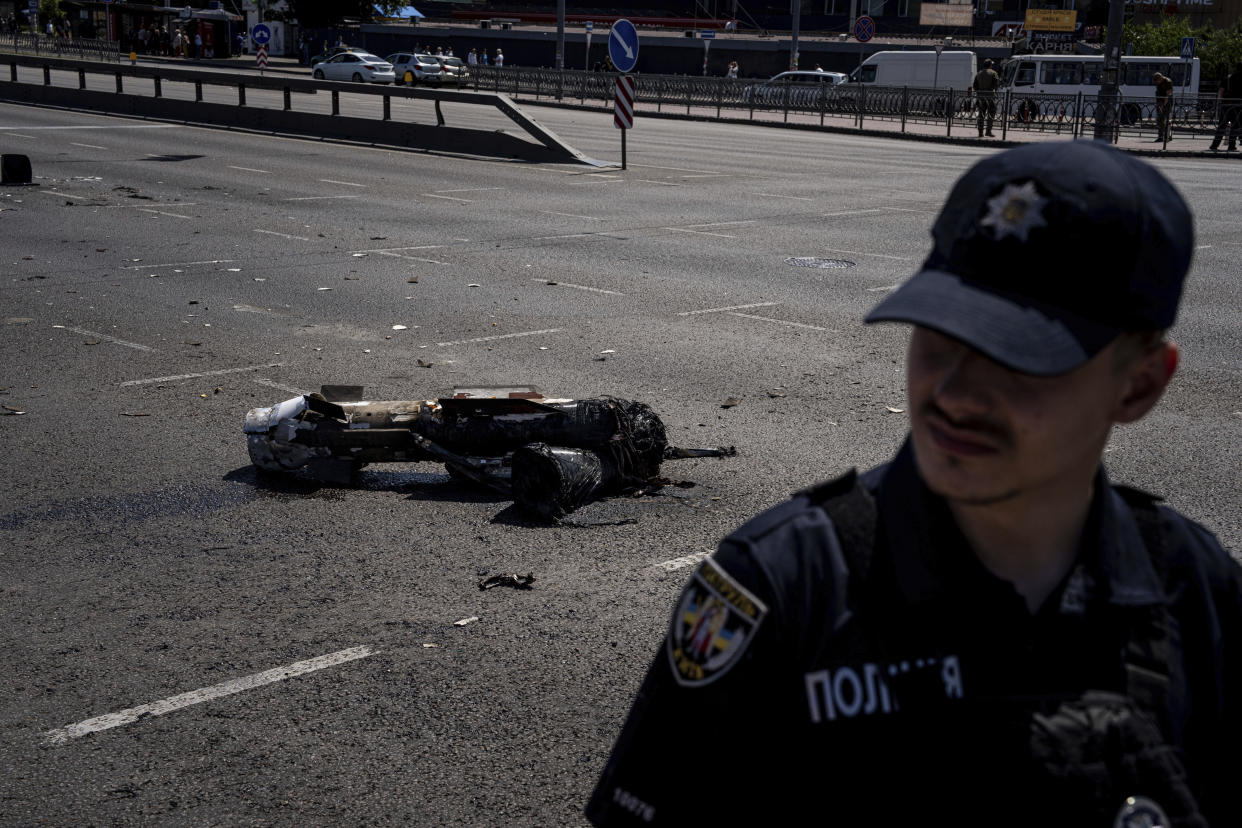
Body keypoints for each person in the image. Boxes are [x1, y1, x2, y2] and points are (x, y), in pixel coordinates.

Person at [586, 141, 1240, 828]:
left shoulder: (1198, 595)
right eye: (940, 332)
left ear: (1138, 386)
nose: (955, 393)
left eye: (1019, 357)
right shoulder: (785, 589)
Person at [1208, 62, 1242, 152]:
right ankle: (1231, 146)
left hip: (1226, 105)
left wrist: (1220, 102)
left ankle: (1214, 145)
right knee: (1235, 126)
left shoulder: (1228, 77)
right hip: (1238, 106)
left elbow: (1221, 90)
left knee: (1222, 126)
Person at [971, 57, 1000, 137]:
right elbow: (996, 84)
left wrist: (980, 91)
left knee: (981, 114)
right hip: (990, 96)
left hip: (981, 97)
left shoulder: (979, 73)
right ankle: (988, 131)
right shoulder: (993, 73)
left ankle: (980, 132)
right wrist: (991, 89)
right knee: (991, 114)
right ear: (990, 65)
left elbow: (975, 86)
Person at [1154, 71, 1175, 142]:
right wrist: (1158, 104)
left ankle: (1167, 136)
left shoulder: (1167, 82)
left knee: (1166, 119)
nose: (1157, 83)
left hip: (1167, 103)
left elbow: (1168, 95)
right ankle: (1160, 136)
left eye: (1157, 81)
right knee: (1160, 120)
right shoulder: (1158, 83)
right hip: (1160, 102)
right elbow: (1158, 93)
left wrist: (1163, 105)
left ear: (1160, 78)